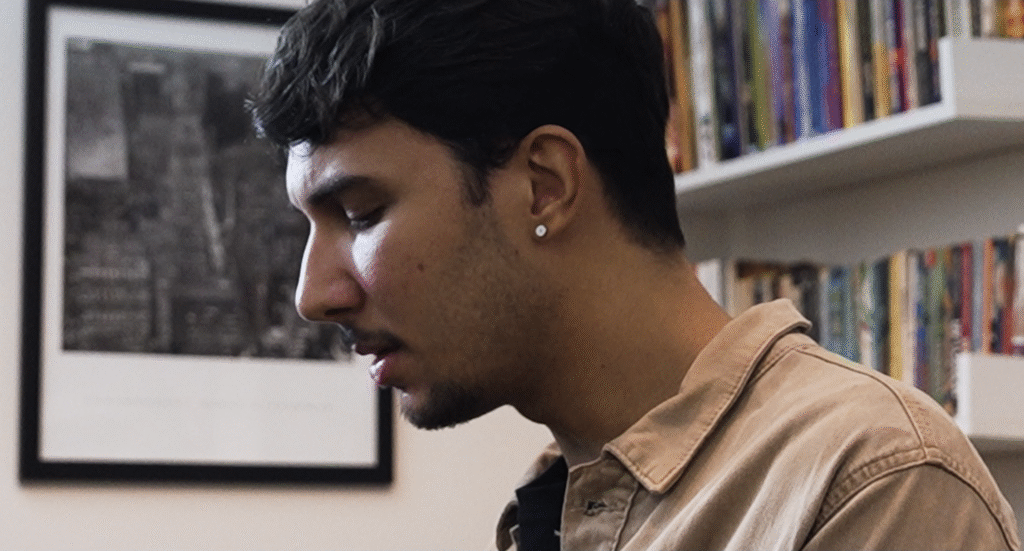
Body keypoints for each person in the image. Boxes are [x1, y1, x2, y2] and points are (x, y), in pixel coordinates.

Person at [248, 0, 1021, 549]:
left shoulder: (873, 481)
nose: (314, 296)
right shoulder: (558, 503)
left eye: (360, 213)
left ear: (545, 185)